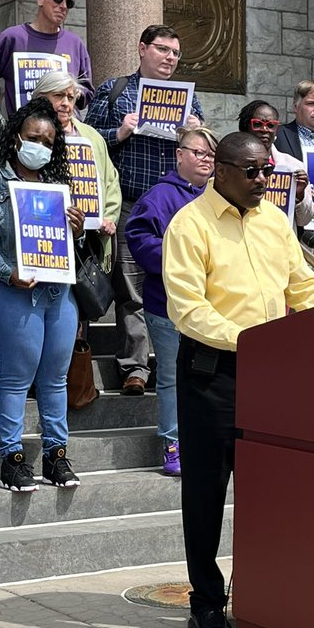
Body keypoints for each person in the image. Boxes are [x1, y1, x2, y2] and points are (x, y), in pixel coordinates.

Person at [163, 131, 314, 628]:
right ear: (221, 171)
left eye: (267, 172)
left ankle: (262, 594)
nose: (262, 181)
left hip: (271, 374)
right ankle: (206, 601)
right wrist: (252, 341)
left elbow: (302, 287)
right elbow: (188, 308)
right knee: (208, 493)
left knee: (270, 490)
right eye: (252, 172)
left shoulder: (276, 221)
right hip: (213, 374)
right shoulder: (190, 225)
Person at [0, 98, 85, 492]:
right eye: (34, 137)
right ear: (16, 138)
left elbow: (68, 241)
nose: (41, 146)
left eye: (49, 141)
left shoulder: (58, 185)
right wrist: (4, 270)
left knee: (56, 379)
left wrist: (78, 229)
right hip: (13, 290)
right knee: (16, 379)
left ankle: (56, 456)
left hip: (59, 292)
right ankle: (12, 459)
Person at [86, 24, 204, 396]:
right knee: (131, 288)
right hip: (131, 204)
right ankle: (135, 366)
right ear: (142, 49)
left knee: (182, 282)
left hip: (179, 208)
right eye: (162, 49)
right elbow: (86, 142)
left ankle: (175, 359)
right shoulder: (115, 90)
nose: (169, 57)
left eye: (175, 53)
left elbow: (204, 151)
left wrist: (196, 130)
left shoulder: (188, 100)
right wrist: (119, 132)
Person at [126, 126, 219, 477]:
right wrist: (180, 257)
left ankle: (204, 440)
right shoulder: (161, 195)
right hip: (167, 304)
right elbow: (137, 237)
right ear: (179, 154)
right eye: (199, 153)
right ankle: (172, 444)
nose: (206, 160)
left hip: (211, 305)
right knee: (170, 376)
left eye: (211, 155)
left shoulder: (218, 197)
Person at [30, 68, 120, 272]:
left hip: (85, 241)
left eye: (70, 97)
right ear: (40, 97)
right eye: (58, 95)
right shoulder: (27, 132)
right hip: (42, 235)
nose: (65, 103)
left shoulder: (92, 137)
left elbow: (110, 181)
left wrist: (109, 218)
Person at [0, 0, 94, 118]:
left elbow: (87, 93)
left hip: (65, 135)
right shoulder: (12, 38)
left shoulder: (75, 43)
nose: (63, 6)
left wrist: (75, 92)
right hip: (24, 134)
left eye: (69, 3)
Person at [238, 99, 313, 228]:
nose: (264, 129)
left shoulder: (294, 166)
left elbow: (304, 221)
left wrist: (300, 195)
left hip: (280, 242)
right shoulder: (233, 163)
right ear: (245, 127)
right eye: (258, 124)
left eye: (271, 125)